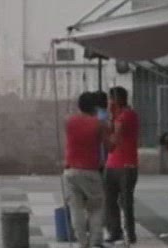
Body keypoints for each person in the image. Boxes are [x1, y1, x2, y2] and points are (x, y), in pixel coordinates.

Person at [60, 91, 107, 248]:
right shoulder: (99, 124)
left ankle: (82, 242)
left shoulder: (68, 121)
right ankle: (95, 241)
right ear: (94, 107)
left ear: (79, 106)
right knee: (96, 207)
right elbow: (109, 145)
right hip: (90, 170)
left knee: (76, 209)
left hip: (70, 170)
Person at [102, 86, 141, 245]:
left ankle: (130, 233)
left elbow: (113, 142)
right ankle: (115, 231)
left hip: (126, 165)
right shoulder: (117, 116)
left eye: (110, 99)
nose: (109, 103)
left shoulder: (127, 115)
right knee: (110, 200)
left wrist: (105, 131)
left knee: (126, 201)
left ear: (116, 100)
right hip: (112, 163)